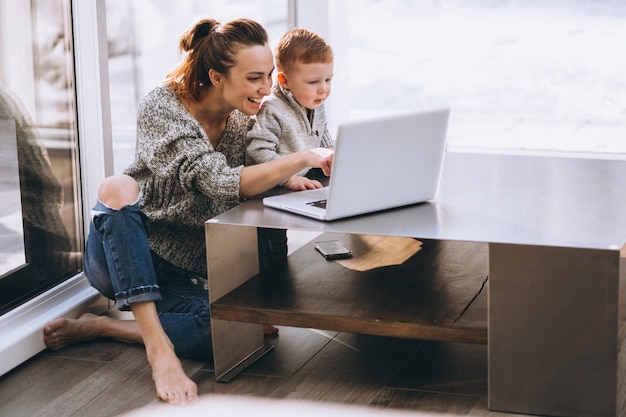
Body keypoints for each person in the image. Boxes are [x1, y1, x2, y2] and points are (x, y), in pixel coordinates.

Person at [42, 18, 333, 406]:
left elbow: (261, 187)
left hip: (185, 277)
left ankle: (109, 327)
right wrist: (303, 157)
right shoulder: (162, 108)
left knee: (233, 333)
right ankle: (158, 349)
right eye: (254, 79)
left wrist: (263, 293)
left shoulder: (250, 117)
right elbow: (214, 180)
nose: (267, 88)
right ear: (216, 76)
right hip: (125, 255)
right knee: (118, 186)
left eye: (268, 76)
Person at [246, 28, 334, 191]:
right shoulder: (272, 108)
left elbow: (323, 134)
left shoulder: (316, 102)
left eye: (328, 79)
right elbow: (258, 151)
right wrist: (289, 179)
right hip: (271, 188)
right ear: (284, 80)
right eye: (313, 82)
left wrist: (331, 155)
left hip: (303, 181)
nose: (323, 89)